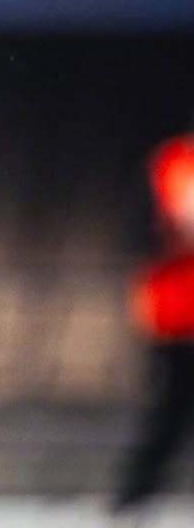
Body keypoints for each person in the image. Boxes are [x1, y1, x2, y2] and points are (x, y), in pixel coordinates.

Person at [114, 131, 194, 516]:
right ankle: (135, 496)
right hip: (175, 310)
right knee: (169, 409)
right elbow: (145, 232)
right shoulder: (173, 164)